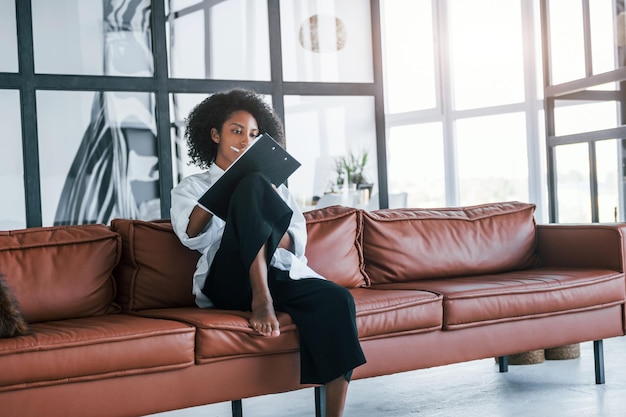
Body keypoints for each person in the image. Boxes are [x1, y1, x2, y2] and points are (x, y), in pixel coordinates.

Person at [170, 88, 366, 417]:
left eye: (253, 134)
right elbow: (191, 235)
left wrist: (262, 209)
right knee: (250, 185)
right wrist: (228, 190)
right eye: (236, 131)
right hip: (229, 280)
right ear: (215, 134)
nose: (245, 140)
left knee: (337, 300)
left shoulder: (277, 188)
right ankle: (262, 300)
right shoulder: (191, 187)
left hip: (277, 272)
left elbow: (294, 242)